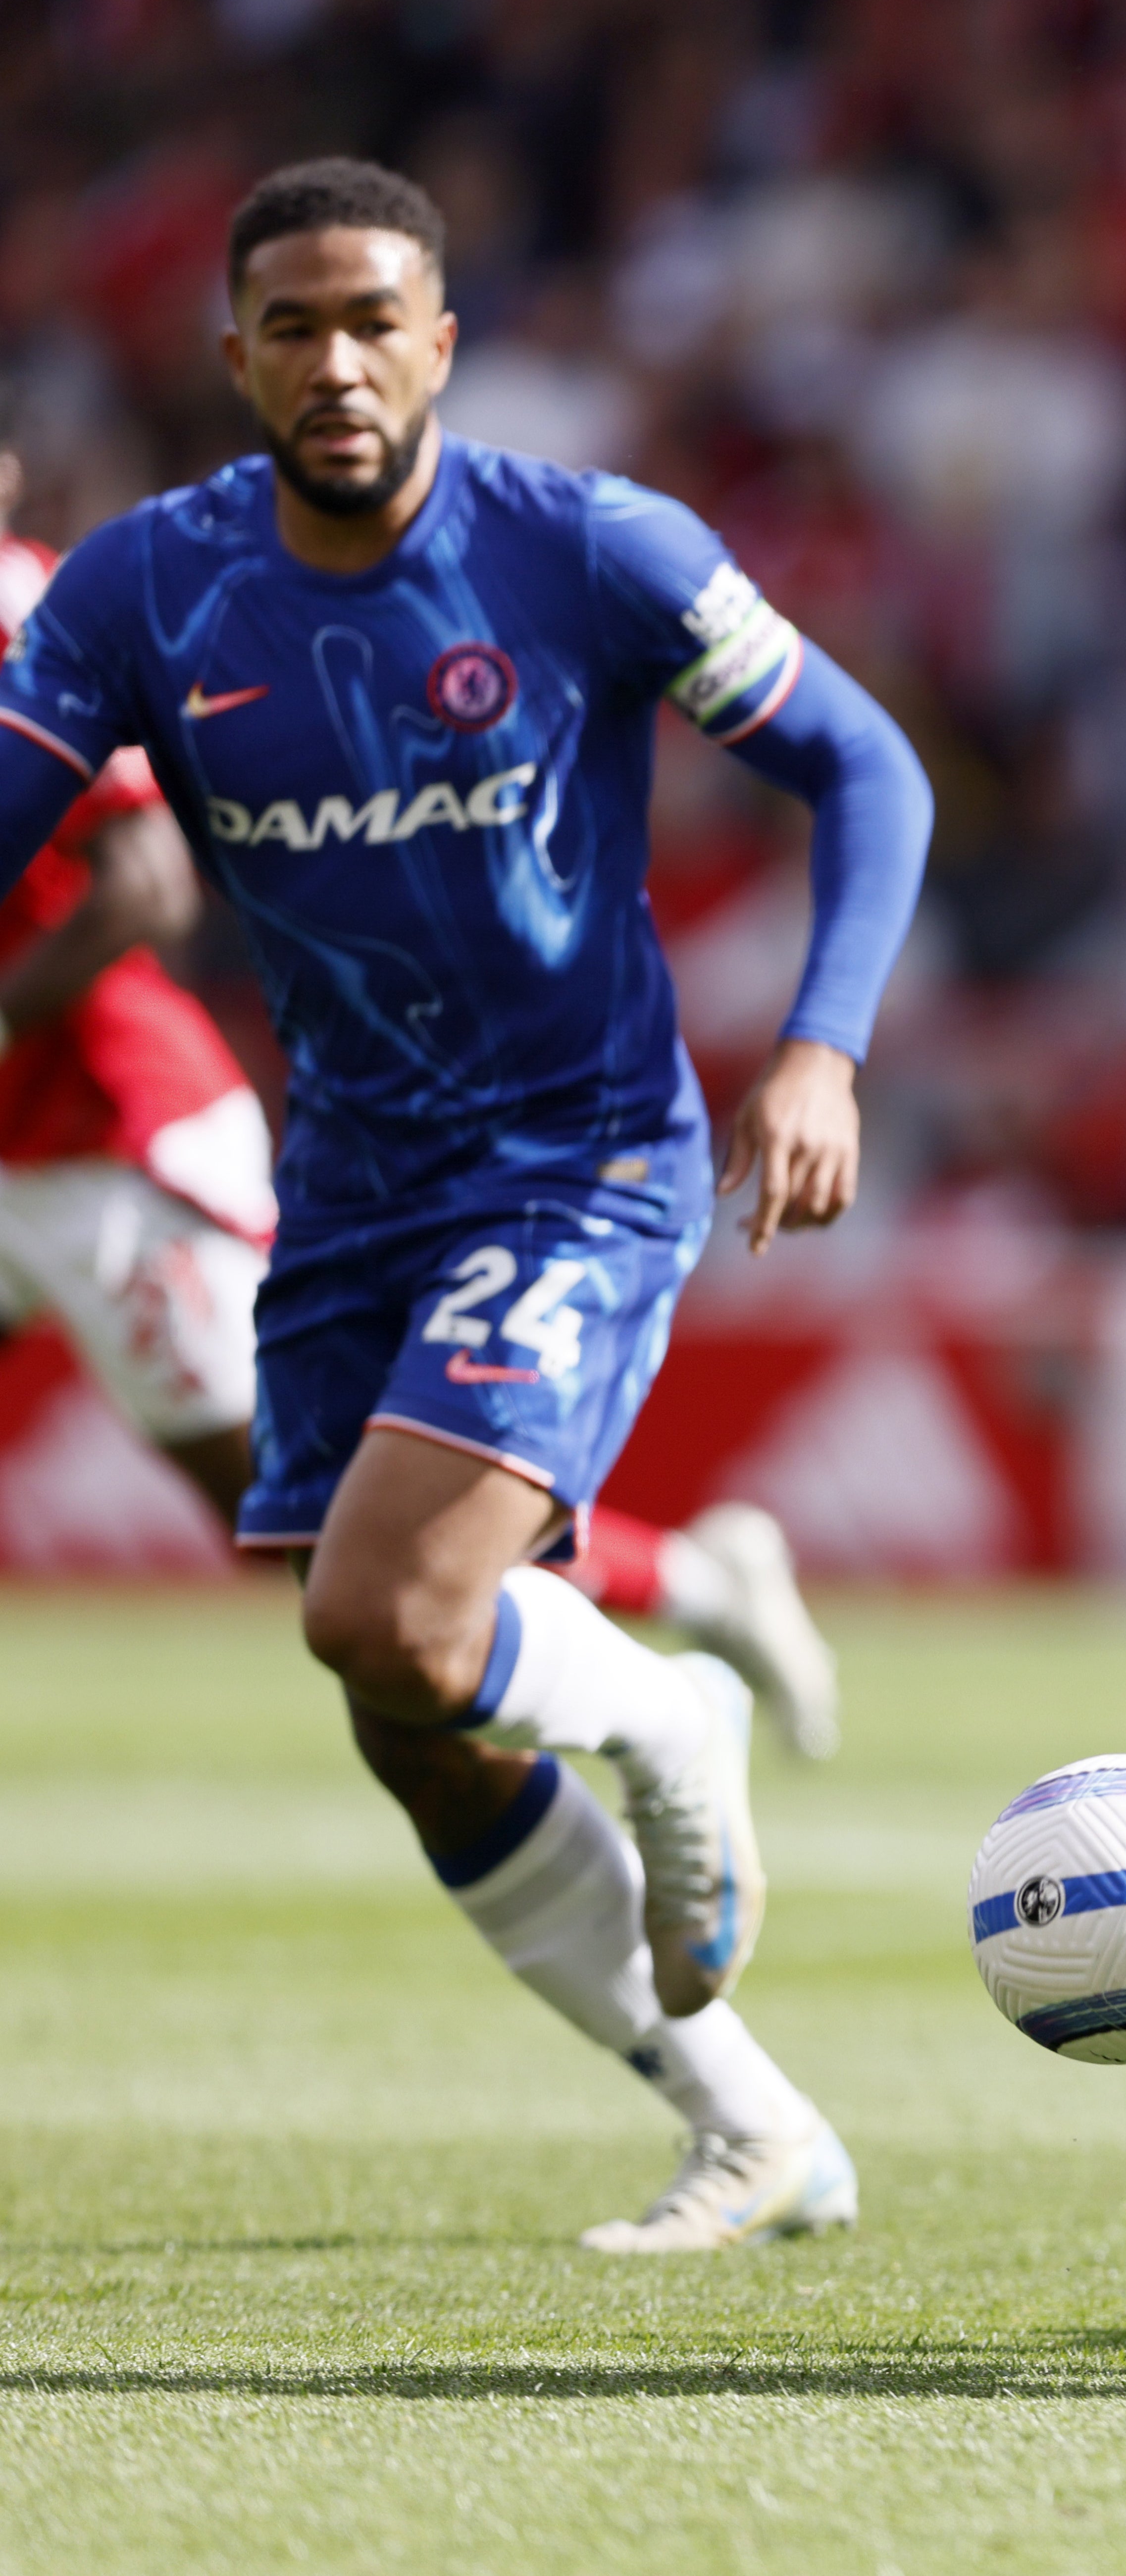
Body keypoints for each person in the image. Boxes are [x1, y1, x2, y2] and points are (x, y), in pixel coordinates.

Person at [0, 160, 931, 2249]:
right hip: (348, 1187)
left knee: (385, 1612)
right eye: (291, 326)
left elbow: (866, 764)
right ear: (234, 354)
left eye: (372, 319)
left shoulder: (586, 545)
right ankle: (753, 2117)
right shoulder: (144, 591)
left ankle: (673, 1698)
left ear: (441, 338)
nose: (335, 362)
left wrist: (823, 1041)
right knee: (407, 1712)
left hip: (578, 1156)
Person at [0, 493, 845, 1737]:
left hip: (106, 1153)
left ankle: (695, 1596)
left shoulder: (31, 613)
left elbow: (145, 882)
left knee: (316, 1534)